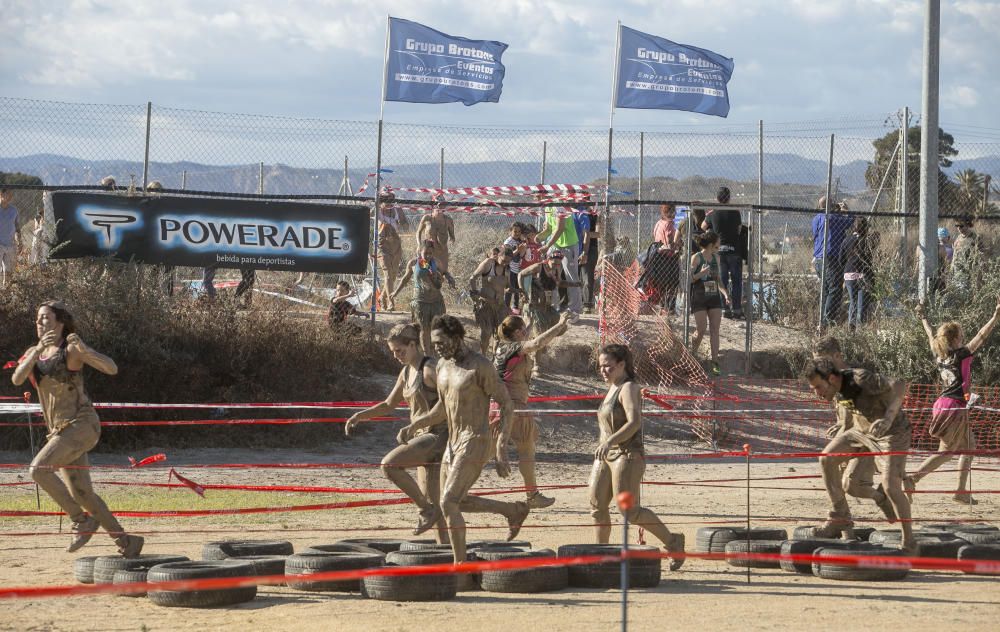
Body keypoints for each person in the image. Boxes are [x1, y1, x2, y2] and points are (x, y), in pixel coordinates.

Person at [11, 302, 144, 557]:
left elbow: (111, 368)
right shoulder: (34, 353)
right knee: (83, 494)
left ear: (59, 322)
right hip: (61, 433)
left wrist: (86, 350)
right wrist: (37, 349)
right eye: (37, 319)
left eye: (45, 318)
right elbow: (17, 379)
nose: (40, 323)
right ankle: (126, 541)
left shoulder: (70, 349)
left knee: (38, 470)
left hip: (81, 425)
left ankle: (81, 521)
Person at [407, 315, 530, 563]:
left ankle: (460, 564)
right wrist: (417, 424)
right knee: (454, 501)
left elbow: (506, 405)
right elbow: (442, 407)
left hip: (476, 439)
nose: (437, 347)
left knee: (448, 502)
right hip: (453, 442)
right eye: (433, 342)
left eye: (441, 341)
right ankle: (511, 510)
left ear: (456, 337)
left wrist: (502, 446)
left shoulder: (479, 366)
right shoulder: (441, 366)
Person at [345, 323, 449, 542]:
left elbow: (449, 403)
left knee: (390, 465)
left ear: (413, 345)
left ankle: (425, 510)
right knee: (436, 505)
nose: (396, 356)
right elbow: (388, 404)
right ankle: (444, 554)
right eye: (393, 352)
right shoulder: (406, 372)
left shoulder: (431, 369)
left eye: (400, 351)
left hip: (438, 436)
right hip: (422, 437)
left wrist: (415, 424)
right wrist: (360, 416)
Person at [804, 358, 915, 553]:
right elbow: (849, 424)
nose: (817, 393)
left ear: (831, 378)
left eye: (818, 387)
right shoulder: (837, 393)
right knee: (826, 458)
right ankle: (840, 516)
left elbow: (899, 385)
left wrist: (888, 418)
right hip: (861, 433)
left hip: (893, 432)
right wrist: (839, 454)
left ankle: (909, 543)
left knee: (891, 486)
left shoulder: (860, 378)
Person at [590, 344, 686, 570]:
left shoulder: (628, 388)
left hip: (627, 455)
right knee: (596, 506)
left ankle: (673, 543)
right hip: (605, 455)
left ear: (622, 365)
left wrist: (610, 442)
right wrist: (604, 446)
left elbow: (634, 422)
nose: (604, 370)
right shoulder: (611, 388)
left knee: (629, 511)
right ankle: (599, 558)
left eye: (608, 366)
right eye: (601, 366)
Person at [906, 299, 1000, 505]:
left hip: (943, 405)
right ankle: (913, 478)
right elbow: (981, 337)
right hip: (954, 407)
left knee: (970, 445)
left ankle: (960, 490)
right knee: (946, 452)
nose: (964, 338)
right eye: (961, 336)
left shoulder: (939, 355)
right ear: (956, 339)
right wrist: (995, 317)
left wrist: (922, 316)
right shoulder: (961, 354)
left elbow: (931, 334)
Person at [812, 337, 898, 523]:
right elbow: (846, 415)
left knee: (850, 484)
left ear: (837, 355)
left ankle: (882, 502)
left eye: (823, 360)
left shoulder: (855, 378)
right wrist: (840, 425)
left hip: (870, 439)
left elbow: (889, 395)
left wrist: (888, 419)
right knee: (844, 484)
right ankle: (847, 522)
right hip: (853, 438)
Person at [493, 313, 571, 509]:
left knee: (483, 451)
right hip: (514, 407)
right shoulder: (516, 347)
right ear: (518, 332)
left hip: (499, 406)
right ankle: (532, 494)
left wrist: (534, 321)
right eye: (524, 331)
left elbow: (535, 338)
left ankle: (455, 488)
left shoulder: (502, 346)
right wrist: (560, 323)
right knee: (526, 451)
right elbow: (536, 343)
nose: (527, 333)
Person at [391, 240, 454, 354]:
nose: (428, 256)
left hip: (436, 301)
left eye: (431, 253)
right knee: (424, 330)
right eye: (426, 253)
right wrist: (395, 292)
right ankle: (426, 355)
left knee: (438, 329)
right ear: (420, 251)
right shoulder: (414, 263)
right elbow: (405, 279)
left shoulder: (436, 262)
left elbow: (445, 272)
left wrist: (450, 278)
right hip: (421, 302)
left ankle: (436, 352)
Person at [689, 231, 729, 376]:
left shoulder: (716, 258)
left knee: (714, 330)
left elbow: (718, 280)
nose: (719, 245)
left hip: (713, 297)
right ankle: (692, 355)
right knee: (701, 328)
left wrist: (725, 294)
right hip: (699, 296)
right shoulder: (696, 257)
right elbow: (690, 278)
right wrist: (701, 273)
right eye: (718, 243)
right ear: (712, 244)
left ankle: (715, 363)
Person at [811, 197, 854, 326]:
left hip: (818, 259)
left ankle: (822, 320)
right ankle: (827, 321)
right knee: (835, 289)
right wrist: (846, 210)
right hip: (831, 259)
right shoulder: (832, 218)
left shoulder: (816, 218)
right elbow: (851, 222)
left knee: (826, 290)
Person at [536, 203, 583, 317]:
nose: (537, 200)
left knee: (571, 276)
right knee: (551, 275)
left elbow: (560, 228)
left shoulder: (560, 207)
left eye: (538, 197)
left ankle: (575, 310)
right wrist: (539, 237)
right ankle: (554, 307)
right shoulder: (547, 208)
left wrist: (547, 245)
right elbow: (549, 229)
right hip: (555, 245)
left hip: (569, 244)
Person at [706, 187, 746, 319]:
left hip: (719, 252)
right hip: (734, 250)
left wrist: (713, 229)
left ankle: (724, 309)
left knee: (721, 281)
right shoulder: (735, 212)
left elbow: (702, 226)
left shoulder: (713, 213)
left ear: (717, 199)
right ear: (728, 198)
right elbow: (739, 229)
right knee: (736, 281)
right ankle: (737, 309)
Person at [519, 251, 580, 336]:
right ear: (548, 260)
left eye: (558, 264)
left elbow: (560, 283)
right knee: (538, 333)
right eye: (554, 263)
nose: (556, 266)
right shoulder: (539, 267)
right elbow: (521, 274)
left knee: (561, 327)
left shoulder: (556, 270)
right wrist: (522, 291)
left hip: (547, 307)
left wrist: (574, 284)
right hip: (534, 306)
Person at [469, 247, 512, 354]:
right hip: (486, 305)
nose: (504, 263)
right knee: (486, 333)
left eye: (508, 261)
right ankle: (483, 355)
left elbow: (508, 286)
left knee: (500, 333)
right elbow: (472, 278)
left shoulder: (506, 269)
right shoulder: (489, 263)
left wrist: (519, 291)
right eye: (503, 260)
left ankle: (494, 357)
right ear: (498, 256)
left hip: (500, 307)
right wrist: (475, 294)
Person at [838, 217, 874, 330]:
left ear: (854, 227)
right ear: (866, 228)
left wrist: (847, 266)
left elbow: (841, 259)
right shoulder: (867, 241)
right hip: (863, 274)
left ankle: (851, 326)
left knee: (853, 301)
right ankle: (860, 327)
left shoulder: (846, 240)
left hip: (849, 274)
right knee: (861, 304)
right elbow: (870, 258)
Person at [649, 204, 681, 313]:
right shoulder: (669, 224)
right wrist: (677, 244)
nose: (674, 214)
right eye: (671, 212)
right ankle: (669, 307)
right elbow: (669, 240)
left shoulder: (658, 223)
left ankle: (663, 305)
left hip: (658, 257)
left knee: (662, 283)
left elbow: (655, 237)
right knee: (672, 283)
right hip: (668, 257)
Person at [377, 190, 404, 312]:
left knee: (392, 277)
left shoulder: (397, 210)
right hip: (383, 246)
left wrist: (400, 223)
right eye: (385, 199)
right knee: (387, 275)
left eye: (390, 199)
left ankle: (382, 297)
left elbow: (406, 225)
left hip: (396, 245)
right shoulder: (378, 210)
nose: (388, 202)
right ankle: (390, 302)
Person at [416, 200, 456, 274]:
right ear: (433, 206)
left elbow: (452, 237)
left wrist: (450, 241)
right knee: (427, 272)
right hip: (428, 252)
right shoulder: (427, 218)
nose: (440, 207)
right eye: (438, 205)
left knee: (442, 273)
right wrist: (419, 245)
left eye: (442, 205)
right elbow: (418, 232)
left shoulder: (448, 220)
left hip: (442, 251)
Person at [950, 215, 980, 294]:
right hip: (957, 270)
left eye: (961, 226)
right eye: (957, 226)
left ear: (967, 225)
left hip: (968, 271)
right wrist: (951, 267)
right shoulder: (959, 237)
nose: (959, 228)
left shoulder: (974, 237)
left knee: (966, 293)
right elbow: (955, 255)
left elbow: (980, 254)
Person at [502, 222, 527, 312]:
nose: (517, 233)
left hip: (518, 270)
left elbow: (522, 254)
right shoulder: (508, 242)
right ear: (510, 231)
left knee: (517, 289)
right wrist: (518, 250)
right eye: (515, 231)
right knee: (509, 289)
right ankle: (506, 306)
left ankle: (515, 307)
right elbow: (507, 255)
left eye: (519, 231)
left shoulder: (519, 241)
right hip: (510, 269)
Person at [0, 187, 21, 285]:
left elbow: (17, 226)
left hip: (10, 244)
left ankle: (5, 291)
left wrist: (19, 241)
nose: (9, 197)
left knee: (8, 271)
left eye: (10, 195)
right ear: (1, 195)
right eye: (7, 194)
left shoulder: (14, 210)